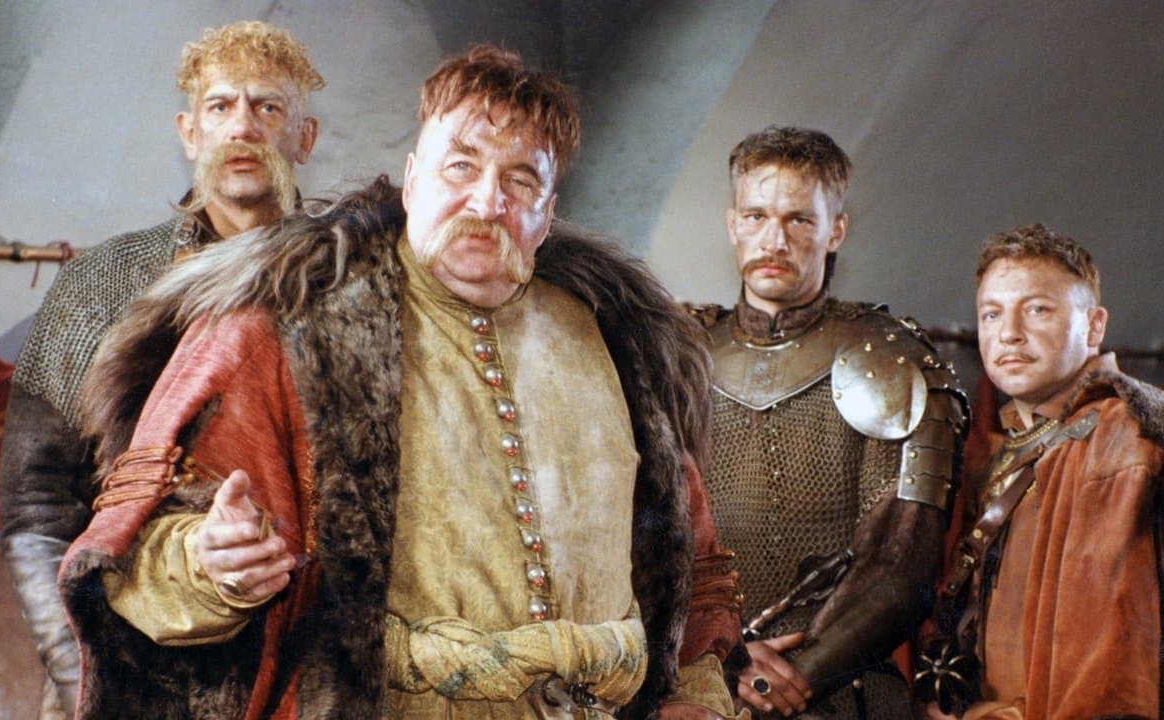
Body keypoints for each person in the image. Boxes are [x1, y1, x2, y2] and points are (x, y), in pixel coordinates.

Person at [60, 45, 740, 719]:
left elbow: (689, 561)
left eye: (520, 181)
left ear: (549, 210)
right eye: (461, 166)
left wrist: (698, 695)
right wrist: (212, 565)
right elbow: (138, 550)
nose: (487, 202)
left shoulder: (614, 338)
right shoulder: (287, 327)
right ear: (413, 181)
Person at [0, 20, 322, 719]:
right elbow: (36, 505)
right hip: (128, 667)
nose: (243, 126)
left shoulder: (347, 286)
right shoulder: (103, 282)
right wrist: (82, 675)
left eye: (268, 106)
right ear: (189, 132)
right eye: (220, 105)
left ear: (305, 137)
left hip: (303, 669)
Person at [922, 223, 1164, 719]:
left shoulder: (1123, 434)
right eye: (991, 313)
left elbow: (1118, 669)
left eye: (1037, 309)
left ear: (1094, 326)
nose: (1009, 332)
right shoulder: (1011, 452)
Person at [688, 126, 967, 719]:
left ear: (835, 230)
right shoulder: (679, 357)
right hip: (700, 687)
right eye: (756, 216)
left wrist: (794, 679)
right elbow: (649, 539)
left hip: (846, 696)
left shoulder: (891, 363)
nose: (774, 240)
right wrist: (720, 661)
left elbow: (901, 568)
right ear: (732, 224)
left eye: (799, 220)